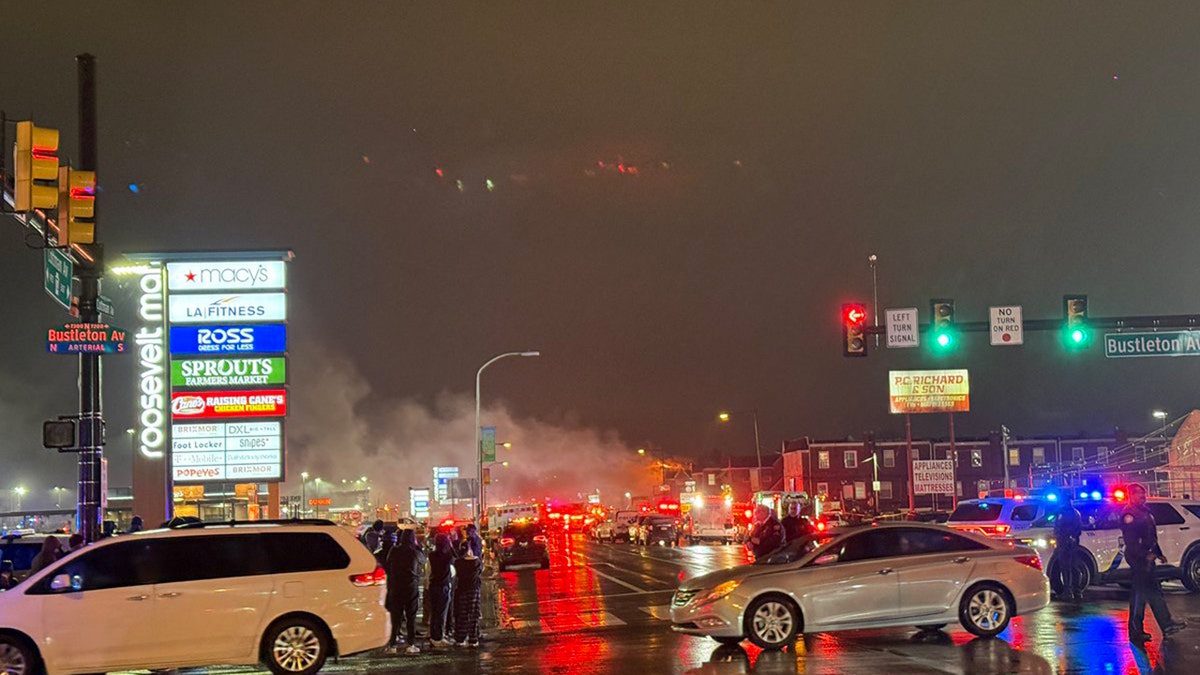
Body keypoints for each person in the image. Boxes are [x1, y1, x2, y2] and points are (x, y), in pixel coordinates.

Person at [1121, 484, 1187, 641]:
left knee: (1148, 593)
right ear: (1131, 495)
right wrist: (1146, 555)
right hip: (1138, 559)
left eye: (1144, 495)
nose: (1143, 498)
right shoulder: (1129, 514)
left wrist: (1158, 554)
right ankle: (1144, 629)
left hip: (1147, 558)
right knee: (1145, 594)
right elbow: (1131, 542)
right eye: (1139, 495)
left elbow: (1151, 536)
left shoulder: (1145, 512)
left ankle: (1160, 626)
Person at [385, 529, 425, 654]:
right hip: (411, 587)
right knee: (411, 617)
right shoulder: (415, 552)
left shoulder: (394, 550)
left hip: (396, 587)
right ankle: (411, 644)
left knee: (395, 617)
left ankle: (392, 644)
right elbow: (423, 561)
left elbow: (388, 563)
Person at [1050, 498, 1084, 601]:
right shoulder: (1075, 512)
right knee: (1073, 566)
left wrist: (1062, 536)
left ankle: (1068, 592)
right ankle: (1076, 592)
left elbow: (1062, 527)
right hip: (1071, 542)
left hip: (1066, 542)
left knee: (1066, 567)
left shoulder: (1065, 513)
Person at [427, 533, 456, 647]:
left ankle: (434, 636)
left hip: (433, 585)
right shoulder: (447, 556)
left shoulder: (432, 555)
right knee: (442, 613)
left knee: (434, 612)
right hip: (443, 586)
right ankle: (438, 637)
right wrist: (451, 543)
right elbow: (456, 556)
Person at [452, 546, 483, 647]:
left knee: (462, 614)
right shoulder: (477, 562)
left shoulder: (458, 563)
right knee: (473, 614)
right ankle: (473, 638)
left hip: (461, 589)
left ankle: (460, 638)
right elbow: (480, 570)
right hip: (473, 590)